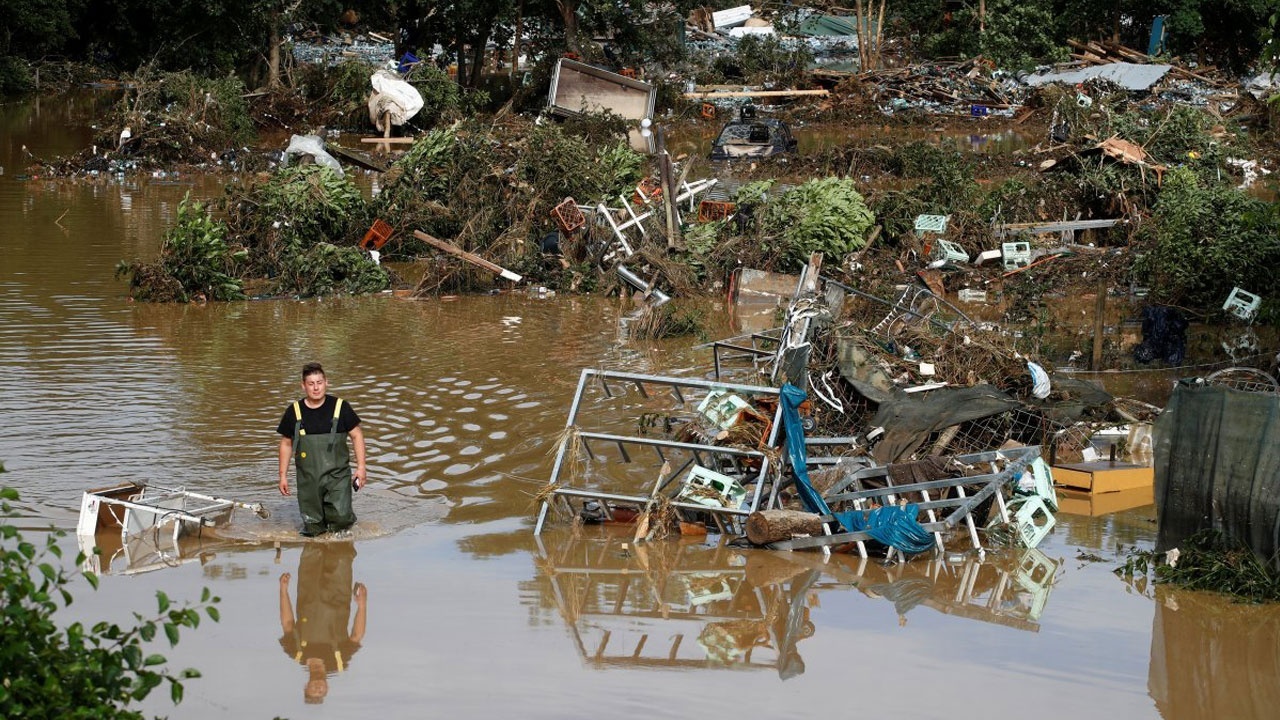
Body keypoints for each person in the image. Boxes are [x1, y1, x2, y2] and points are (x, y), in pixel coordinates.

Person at [277, 362, 367, 537]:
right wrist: (282, 475)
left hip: (337, 476)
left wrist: (361, 468)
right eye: (311, 384)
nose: (316, 388)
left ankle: (340, 550)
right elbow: (286, 443)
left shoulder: (341, 407)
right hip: (308, 479)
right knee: (313, 526)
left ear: (327, 382)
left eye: (319, 382)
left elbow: (357, 435)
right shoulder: (294, 411)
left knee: (341, 518)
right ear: (303, 386)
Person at [278, 542, 367, 704]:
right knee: (342, 548)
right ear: (327, 688)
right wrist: (362, 605)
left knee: (313, 545)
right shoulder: (339, 661)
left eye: (313, 691)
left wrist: (283, 590)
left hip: (308, 589)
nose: (318, 689)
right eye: (321, 693)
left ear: (306, 686)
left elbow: (288, 623)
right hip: (339, 591)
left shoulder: (296, 653)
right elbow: (357, 635)